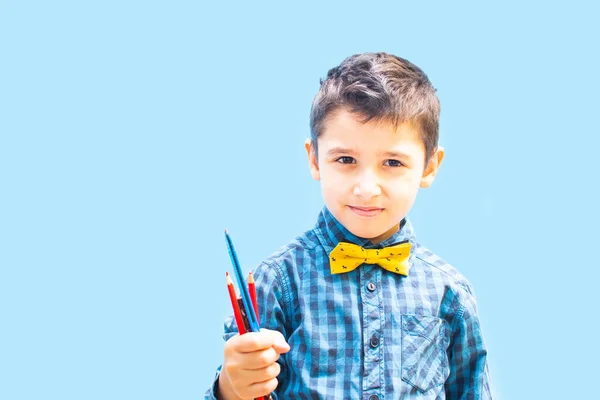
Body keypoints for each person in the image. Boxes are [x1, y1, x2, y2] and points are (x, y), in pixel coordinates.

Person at [206, 52, 492, 399]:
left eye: (392, 162)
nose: (366, 188)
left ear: (430, 167)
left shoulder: (451, 292)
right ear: (314, 159)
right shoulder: (275, 283)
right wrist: (229, 390)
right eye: (346, 159)